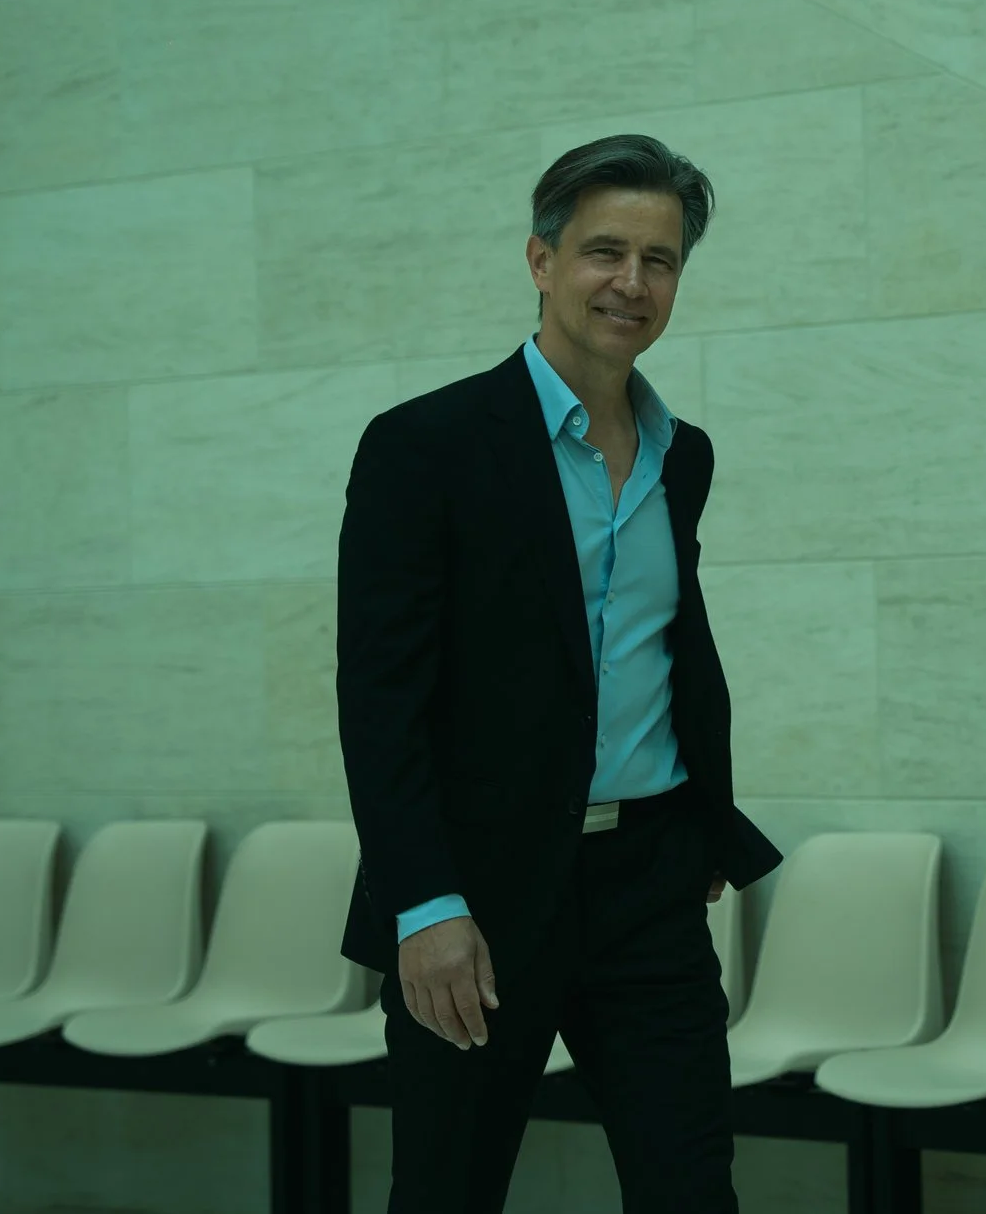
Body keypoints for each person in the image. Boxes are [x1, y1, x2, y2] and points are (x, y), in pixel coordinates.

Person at [335, 133, 782, 1212]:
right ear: (541, 260)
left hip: (649, 888)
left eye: (659, 259)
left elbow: (667, 640)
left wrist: (705, 818)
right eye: (603, 251)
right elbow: (379, 698)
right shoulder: (424, 445)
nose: (631, 282)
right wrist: (424, 903)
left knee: (692, 1191)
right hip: (476, 896)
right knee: (448, 1192)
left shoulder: (686, 453)